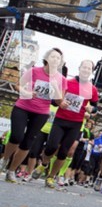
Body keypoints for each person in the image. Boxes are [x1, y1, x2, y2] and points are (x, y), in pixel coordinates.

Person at [3, 48, 67, 183]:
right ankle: (5, 159)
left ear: (60, 62)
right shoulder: (34, 71)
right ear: (46, 58)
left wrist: (55, 88)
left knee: (27, 142)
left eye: (58, 58)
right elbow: (17, 86)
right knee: (16, 136)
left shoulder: (61, 79)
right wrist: (25, 92)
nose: (55, 60)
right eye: (53, 57)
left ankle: (11, 171)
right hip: (23, 107)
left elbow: (59, 102)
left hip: (41, 112)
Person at [42, 60, 99, 188]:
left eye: (89, 69)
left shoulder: (93, 90)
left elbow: (95, 107)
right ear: (79, 68)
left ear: (92, 72)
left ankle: (51, 177)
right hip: (60, 120)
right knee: (51, 146)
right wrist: (60, 102)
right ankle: (44, 164)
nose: (86, 70)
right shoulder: (67, 83)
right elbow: (53, 101)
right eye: (84, 67)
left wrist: (91, 110)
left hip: (76, 123)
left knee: (64, 152)